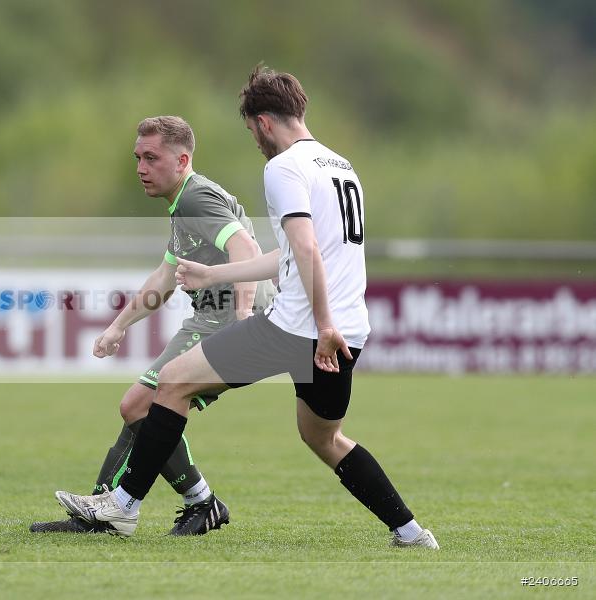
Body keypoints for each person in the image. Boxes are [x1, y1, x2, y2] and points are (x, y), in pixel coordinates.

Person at [55, 66, 439, 549]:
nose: (256, 141)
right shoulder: (341, 166)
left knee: (171, 383)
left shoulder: (282, 167)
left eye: (251, 131)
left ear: (262, 122)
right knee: (325, 438)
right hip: (349, 331)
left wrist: (319, 324)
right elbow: (293, 252)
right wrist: (214, 275)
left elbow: (306, 250)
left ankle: (125, 507)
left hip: (299, 328)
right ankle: (411, 533)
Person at [31, 115, 275, 535]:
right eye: (137, 158)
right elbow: (164, 278)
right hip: (213, 319)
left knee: (137, 405)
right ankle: (128, 509)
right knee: (143, 407)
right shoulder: (184, 205)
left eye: (151, 158)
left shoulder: (197, 200)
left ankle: (144, 508)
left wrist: (240, 321)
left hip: (224, 321)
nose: (141, 167)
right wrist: (118, 327)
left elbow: (247, 248)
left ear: (182, 160)